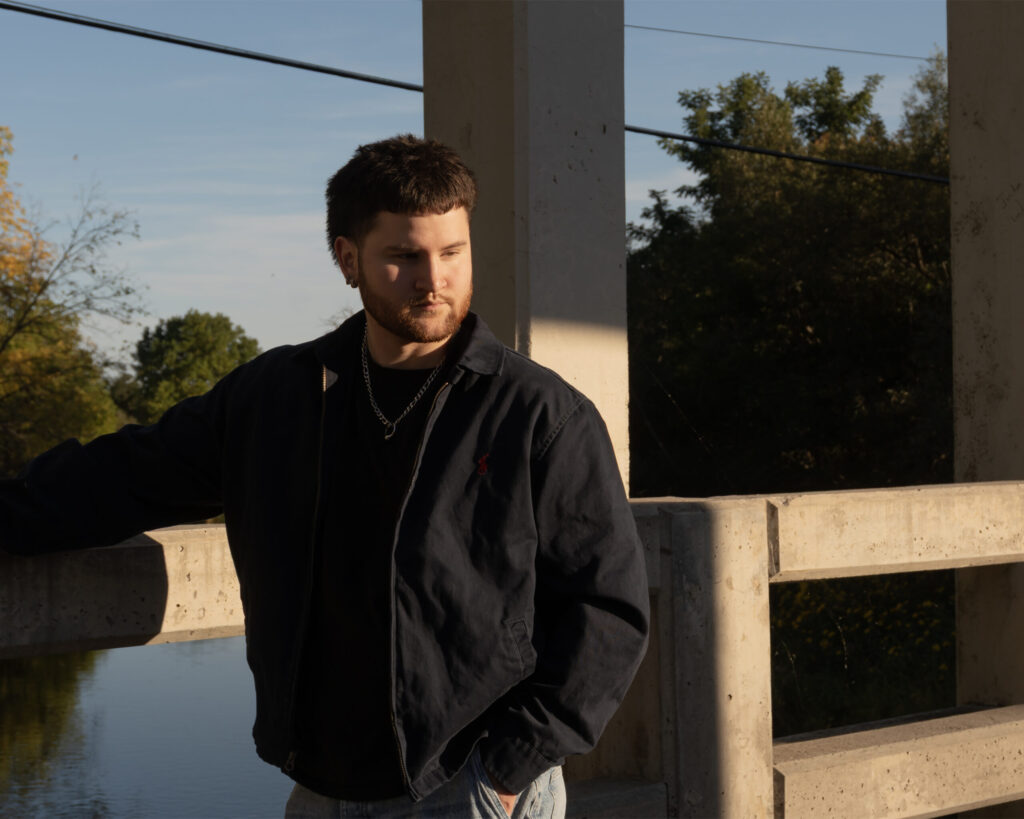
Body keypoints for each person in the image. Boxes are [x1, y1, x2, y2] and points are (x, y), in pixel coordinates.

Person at [0, 135, 649, 819]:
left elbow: (609, 610)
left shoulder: (539, 414)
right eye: (403, 256)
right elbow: (123, 475)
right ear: (348, 258)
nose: (435, 279)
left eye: (452, 252)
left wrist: (510, 766)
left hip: (466, 784)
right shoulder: (277, 397)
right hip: (321, 785)